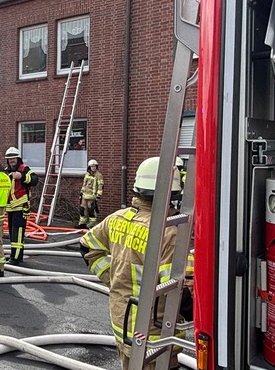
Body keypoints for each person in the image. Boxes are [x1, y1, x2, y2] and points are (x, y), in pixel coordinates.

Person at [79, 157, 193, 370]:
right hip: (154, 334)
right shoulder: (169, 232)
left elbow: (87, 247)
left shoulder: (117, 219)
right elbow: (178, 289)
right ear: (173, 193)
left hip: (123, 322)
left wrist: (111, 277)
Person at [3, 147, 38, 265]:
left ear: (18, 158)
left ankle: (16, 258)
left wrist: (21, 177)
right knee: (12, 233)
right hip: (10, 207)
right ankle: (14, 255)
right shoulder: (7, 170)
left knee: (18, 234)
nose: (11, 160)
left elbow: (34, 180)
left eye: (13, 158)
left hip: (21, 206)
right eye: (9, 159)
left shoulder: (24, 169)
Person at [78, 159, 104, 229]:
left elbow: (100, 186)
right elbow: (84, 184)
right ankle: (82, 223)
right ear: (89, 167)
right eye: (92, 166)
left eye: (94, 166)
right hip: (84, 196)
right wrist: (81, 192)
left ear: (96, 167)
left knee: (92, 210)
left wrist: (98, 195)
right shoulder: (87, 174)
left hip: (92, 197)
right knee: (82, 209)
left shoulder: (99, 175)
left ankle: (92, 224)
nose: (93, 168)